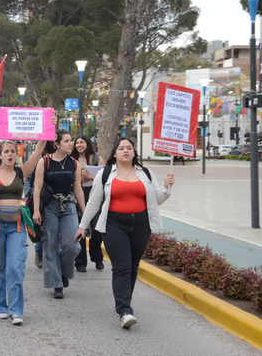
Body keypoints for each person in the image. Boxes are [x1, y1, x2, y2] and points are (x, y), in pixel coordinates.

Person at [76, 138, 174, 329]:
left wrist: (166, 186)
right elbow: (94, 202)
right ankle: (124, 310)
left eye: (129, 148)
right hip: (114, 224)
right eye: (121, 148)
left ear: (134, 152)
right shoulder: (105, 174)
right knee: (122, 266)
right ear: (115, 153)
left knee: (133, 266)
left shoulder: (145, 173)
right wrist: (82, 226)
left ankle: (124, 301)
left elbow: (157, 199)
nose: (126, 151)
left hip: (141, 225)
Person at [0, 139, 45, 325]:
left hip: (16, 226)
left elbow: (38, 151)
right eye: (6, 151)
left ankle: (15, 311)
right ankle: (0, 306)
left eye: (13, 151)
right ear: (0, 155)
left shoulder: (21, 172)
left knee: (16, 267)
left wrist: (44, 136)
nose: (10, 154)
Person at [33, 129, 85, 299]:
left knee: (72, 245)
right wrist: (36, 211)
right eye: (67, 141)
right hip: (50, 206)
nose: (71, 144)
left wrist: (85, 214)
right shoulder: (45, 162)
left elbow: (78, 189)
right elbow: (37, 188)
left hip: (69, 206)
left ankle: (63, 272)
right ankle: (57, 284)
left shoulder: (74, 163)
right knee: (51, 246)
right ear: (57, 144)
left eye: (71, 140)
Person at [71, 134, 106, 272]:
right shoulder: (71, 159)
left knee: (96, 228)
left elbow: (105, 179)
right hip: (77, 195)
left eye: (82, 142)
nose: (79, 145)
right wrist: (79, 181)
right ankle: (80, 262)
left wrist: (90, 177)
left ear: (87, 144)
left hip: (94, 195)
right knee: (80, 227)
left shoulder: (97, 158)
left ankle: (97, 257)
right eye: (77, 143)